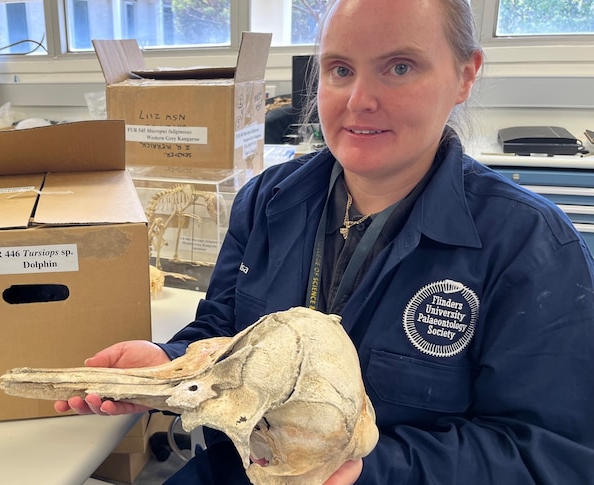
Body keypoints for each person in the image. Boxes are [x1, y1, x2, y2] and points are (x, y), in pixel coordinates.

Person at [58, 0, 594, 483]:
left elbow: (547, 454)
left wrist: (368, 469)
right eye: (340, 70)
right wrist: (167, 361)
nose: (359, 100)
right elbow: (223, 333)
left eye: (399, 67)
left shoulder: (533, 249)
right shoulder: (269, 200)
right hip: (241, 471)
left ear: (464, 76)